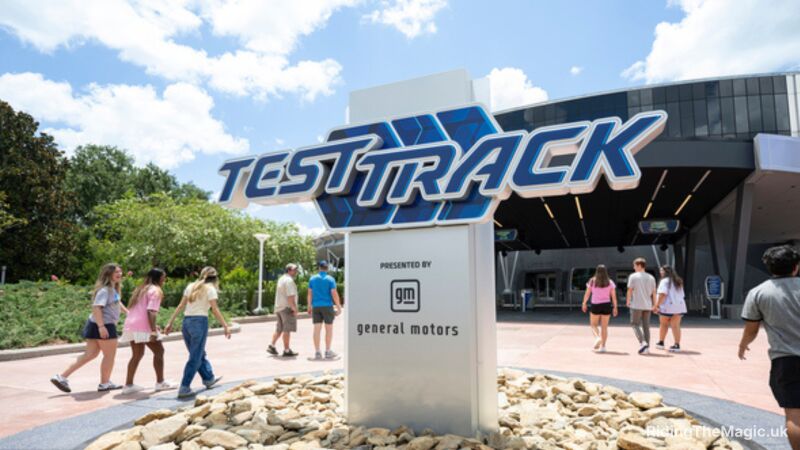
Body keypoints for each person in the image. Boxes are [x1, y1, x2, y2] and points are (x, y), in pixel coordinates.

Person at [739, 245, 800, 450]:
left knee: (794, 412)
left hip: (786, 359)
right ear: (796, 266)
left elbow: (751, 329)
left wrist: (743, 345)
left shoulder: (758, 292)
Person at [51, 263, 126, 393]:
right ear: (108, 274)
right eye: (116, 272)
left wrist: (128, 312)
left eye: (120, 272)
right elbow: (97, 307)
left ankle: (61, 377)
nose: (119, 274)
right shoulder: (105, 290)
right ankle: (105, 383)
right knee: (109, 356)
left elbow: (117, 302)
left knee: (90, 354)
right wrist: (101, 327)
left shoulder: (112, 289)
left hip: (96, 324)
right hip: (104, 325)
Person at [165, 267, 231, 398]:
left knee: (198, 353)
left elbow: (180, 306)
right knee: (195, 356)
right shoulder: (210, 289)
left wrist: (170, 322)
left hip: (186, 322)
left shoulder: (191, 286)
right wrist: (225, 325)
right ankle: (184, 387)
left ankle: (208, 378)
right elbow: (215, 309)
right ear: (215, 278)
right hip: (199, 322)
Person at [118, 268, 177, 394]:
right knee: (159, 351)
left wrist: (154, 327)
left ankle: (128, 386)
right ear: (159, 278)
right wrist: (153, 331)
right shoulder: (156, 290)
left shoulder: (141, 289)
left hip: (131, 325)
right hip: (142, 327)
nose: (164, 280)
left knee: (137, 355)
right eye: (163, 277)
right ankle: (160, 382)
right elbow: (151, 311)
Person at [308, 260, 342, 360]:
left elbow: (310, 293)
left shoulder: (312, 279)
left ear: (319, 268)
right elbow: (334, 293)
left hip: (316, 306)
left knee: (316, 329)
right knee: (329, 329)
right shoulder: (330, 279)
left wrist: (309, 305)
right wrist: (339, 306)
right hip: (327, 306)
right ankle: (328, 351)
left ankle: (317, 352)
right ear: (327, 268)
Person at [581, 264, 618, 353]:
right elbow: (613, 296)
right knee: (604, 327)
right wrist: (615, 307)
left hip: (595, 305)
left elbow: (587, 294)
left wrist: (584, 303)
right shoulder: (610, 282)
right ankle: (603, 346)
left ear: (596, 271)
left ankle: (597, 338)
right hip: (606, 305)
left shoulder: (592, 281)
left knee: (593, 325)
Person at [267, 263, 300, 357]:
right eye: (294, 270)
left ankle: (272, 345)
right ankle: (286, 350)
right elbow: (290, 297)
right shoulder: (289, 281)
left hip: (279, 307)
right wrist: (294, 308)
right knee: (287, 329)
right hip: (287, 308)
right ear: (289, 270)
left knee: (279, 328)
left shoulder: (281, 278)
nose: (296, 272)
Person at [626, 257, 657, 355]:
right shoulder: (651, 277)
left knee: (634, 324)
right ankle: (647, 348)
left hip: (636, 304)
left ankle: (642, 342)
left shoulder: (633, 276)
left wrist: (628, 301)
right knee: (646, 327)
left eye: (634, 265)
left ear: (639, 265)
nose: (634, 267)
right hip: (648, 305)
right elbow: (654, 293)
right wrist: (655, 305)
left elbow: (630, 290)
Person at [654, 265, 687, 352]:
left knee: (663, 324)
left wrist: (656, 305)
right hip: (679, 306)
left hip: (667, 306)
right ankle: (677, 345)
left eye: (662, 271)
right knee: (676, 326)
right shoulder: (678, 281)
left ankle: (661, 342)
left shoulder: (664, 281)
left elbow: (662, 295)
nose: (660, 272)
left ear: (665, 272)